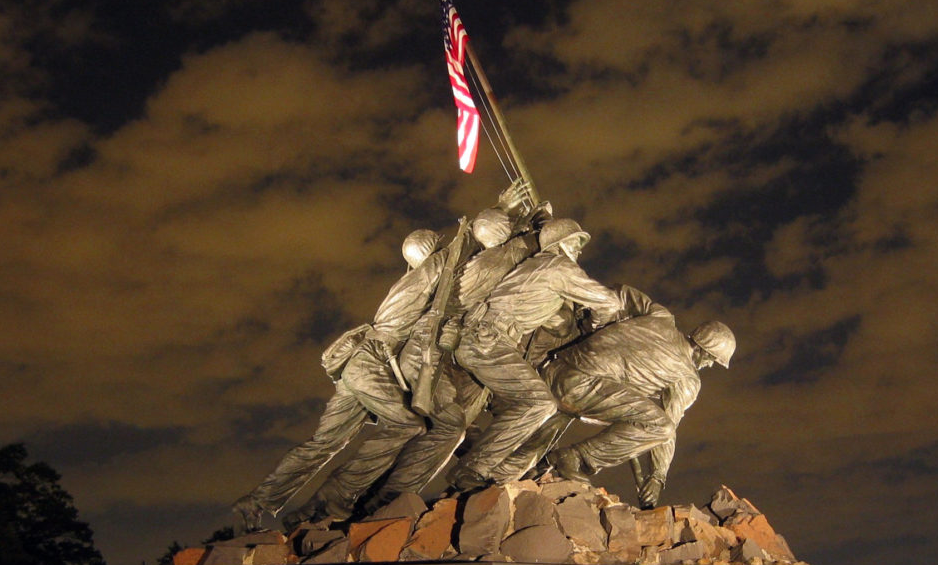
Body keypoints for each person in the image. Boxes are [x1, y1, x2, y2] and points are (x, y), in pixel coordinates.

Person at [279, 208, 534, 525]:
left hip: (422, 355)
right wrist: (527, 228)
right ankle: (381, 503)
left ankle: (365, 501)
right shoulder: (468, 265)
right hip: (418, 356)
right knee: (440, 426)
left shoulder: (422, 274)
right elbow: (484, 255)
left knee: (441, 429)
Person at [230, 229, 449, 531]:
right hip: (368, 364)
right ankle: (337, 496)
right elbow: (452, 259)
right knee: (408, 424)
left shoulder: (407, 280)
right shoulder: (425, 275)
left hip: (357, 365)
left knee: (323, 444)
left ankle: (257, 501)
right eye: (437, 246)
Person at [445, 218, 623, 492]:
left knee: (521, 407)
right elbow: (610, 301)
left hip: (486, 339)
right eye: (575, 243)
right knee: (539, 403)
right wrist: (597, 326)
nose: (579, 250)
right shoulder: (558, 267)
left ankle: (494, 471)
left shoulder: (533, 266)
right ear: (559, 244)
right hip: (489, 341)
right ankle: (471, 469)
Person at [526, 287, 734, 508]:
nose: (710, 365)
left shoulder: (661, 316)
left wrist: (599, 324)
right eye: (712, 359)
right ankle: (575, 458)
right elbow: (667, 428)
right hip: (579, 388)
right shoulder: (688, 378)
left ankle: (528, 470)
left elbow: (622, 294)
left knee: (527, 453)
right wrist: (657, 477)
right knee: (659, 426)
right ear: (704, 351)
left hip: (554, 369)